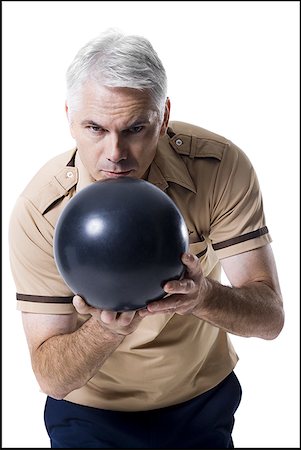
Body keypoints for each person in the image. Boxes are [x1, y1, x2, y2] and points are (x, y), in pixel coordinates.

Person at [9, 29, 285, 449]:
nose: (116, 153)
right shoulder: (40, 210)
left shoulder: (219, 167)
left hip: (201, 400)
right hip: (90, 414)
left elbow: (270, 319)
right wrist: (105, 331)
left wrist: (204, 295)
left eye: (136, 128)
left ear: (165, 116)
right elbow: (51, 377)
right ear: (68, 118)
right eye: (95, 128)